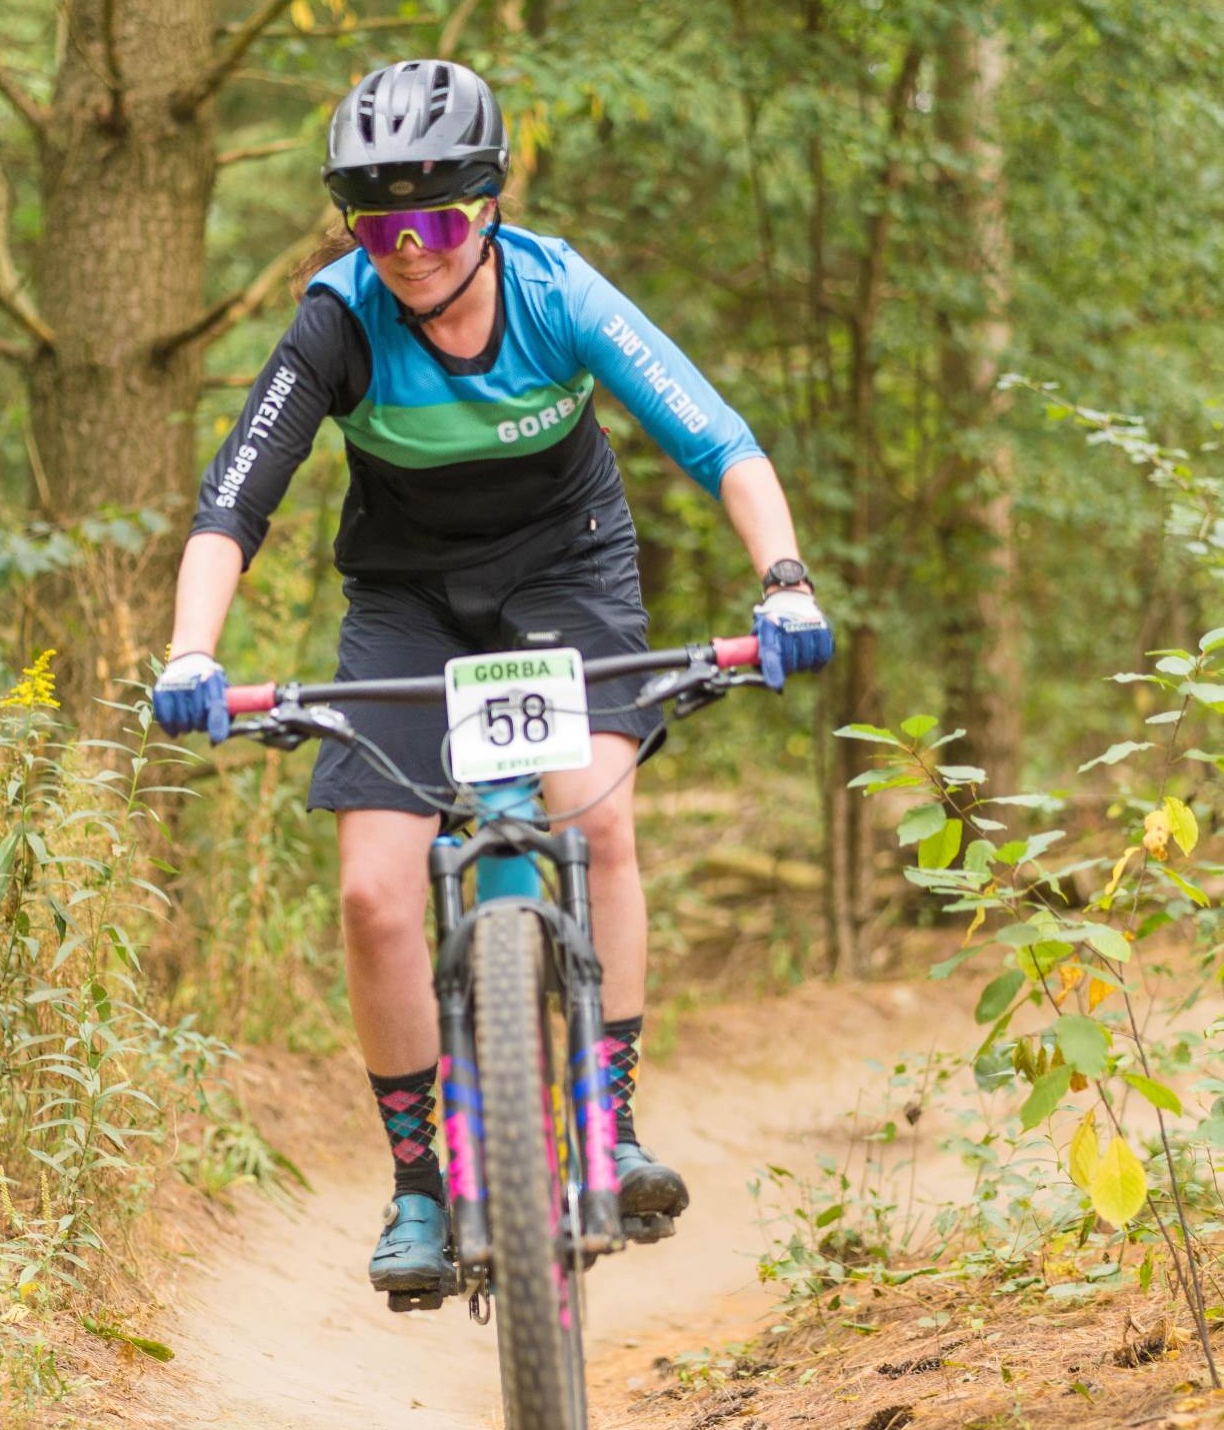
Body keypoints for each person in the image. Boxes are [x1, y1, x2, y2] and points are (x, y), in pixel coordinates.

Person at [153, 59, 833, 1299]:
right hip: (408, 600)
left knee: (596, 813)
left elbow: (720, 441)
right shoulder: (338, 320)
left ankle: (608, 1121)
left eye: (437, 220)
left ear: (489, 208)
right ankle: (420, 1180)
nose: (410, 251)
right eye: (379, 227)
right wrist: (192, 651)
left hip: (567, 576)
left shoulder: (557, 294)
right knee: (374, 889)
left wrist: (783, 580)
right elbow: (233, 502)